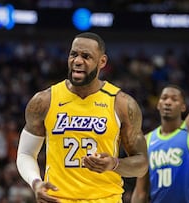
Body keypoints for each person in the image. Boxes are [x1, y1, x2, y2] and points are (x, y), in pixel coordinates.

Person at [16, 32, 148, 202]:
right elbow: (26, 153)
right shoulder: (44, 101)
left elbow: (142, 164)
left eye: (86, 56)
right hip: (58, 198)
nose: (77, 61)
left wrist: (114, 164)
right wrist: (35, 182)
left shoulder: (122, 104)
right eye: (73, 54)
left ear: (102, 62)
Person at [131, 86, 189, 203]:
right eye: (164, 98)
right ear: (158, 104)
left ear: (183, 106)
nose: (168, 102)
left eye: (174, 99)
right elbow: (140, 192)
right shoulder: (147, 141)